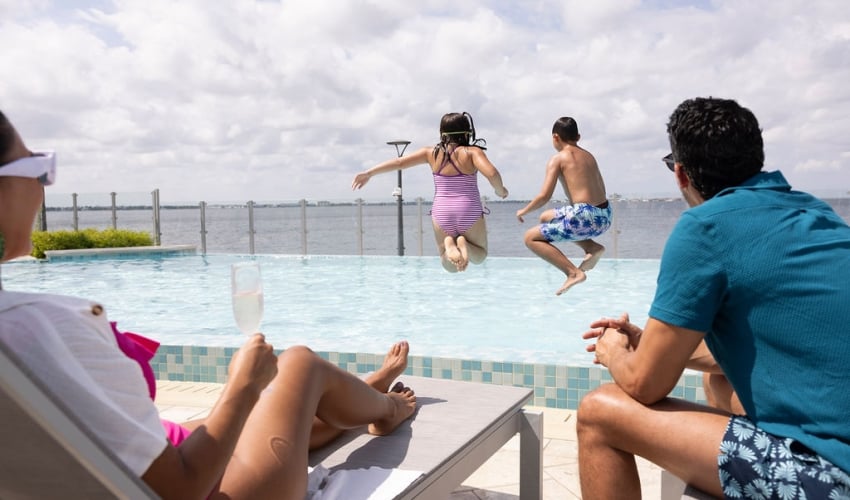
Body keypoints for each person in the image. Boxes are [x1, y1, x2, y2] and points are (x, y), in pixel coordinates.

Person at [0, 109, 418, 499]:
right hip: (213, 488)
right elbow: (180, 488)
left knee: (270, 413)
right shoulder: (38, 328)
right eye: (36, 170)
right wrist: (244, 382)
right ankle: (386, 408)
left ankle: (364, 391)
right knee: (297, 364)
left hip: (125, 465)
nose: (41, 186)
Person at [576, 97, 850, 499]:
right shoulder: (816, 213)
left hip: (832, 476)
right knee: (719, 381)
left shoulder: (705, 226)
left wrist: (614, 351)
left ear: (681, 174)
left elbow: (643, 385)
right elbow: (771, 343)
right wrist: (651, 344)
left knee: (600, 413)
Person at [352, 112, 508, 272]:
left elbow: (399, 162)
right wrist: (500, 190)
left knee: (449, 266)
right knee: (480, 256)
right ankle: (464, 244)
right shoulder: (472, 152)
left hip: (442, 212)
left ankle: (450, 244)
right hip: (468, 210)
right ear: (467, 132)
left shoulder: (430, 153)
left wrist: (369, 173)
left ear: (442, 133)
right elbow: (492, 174)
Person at [515, 117, 611, 295]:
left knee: (530, 238)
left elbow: (544, 196)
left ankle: (573, 273)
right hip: (605, 215)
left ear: (555, 137)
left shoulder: (558, 159)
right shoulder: (589, 156)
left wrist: (523, 211)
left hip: (584, 217)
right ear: (578, 137)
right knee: (546, 217)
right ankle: (592, 248)